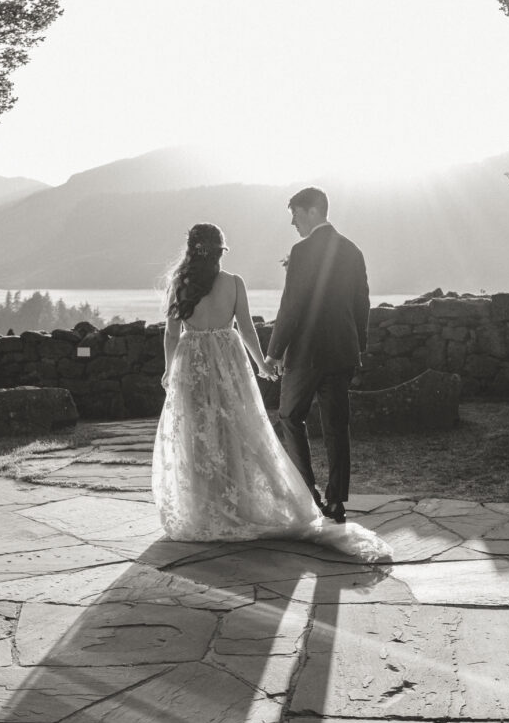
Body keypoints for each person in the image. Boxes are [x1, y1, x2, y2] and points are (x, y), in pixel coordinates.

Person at [151, 222, 391, 562]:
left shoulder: (180, 284)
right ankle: (239, 503)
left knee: (198, 434)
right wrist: (263, 365)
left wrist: (168, 368)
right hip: (229, 364)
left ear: (192, 250)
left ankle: (206, 510)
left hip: (191, 366)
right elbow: (247, 328)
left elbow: (171, 336)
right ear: (221, 251)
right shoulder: (234, 283)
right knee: (237, 432)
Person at [264, 187, 369, 525]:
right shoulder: (352, 250)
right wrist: (358, 347)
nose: (293, 222)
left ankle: (307, 493)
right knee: (337, 426)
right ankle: (336, 501)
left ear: (311, 211)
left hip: (306, 353)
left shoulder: (302, 250)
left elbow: (291, 305)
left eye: (295, 213)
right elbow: (361, 304)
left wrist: (275, 351)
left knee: (290, 416)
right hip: (342, 351)